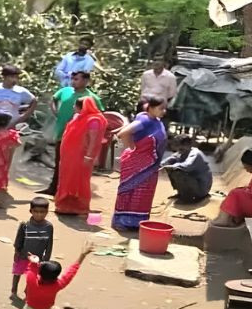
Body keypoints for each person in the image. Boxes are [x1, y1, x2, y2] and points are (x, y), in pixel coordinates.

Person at [38, 71, 103, 196]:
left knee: (72, 166)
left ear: (86, 81)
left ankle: (70, 191)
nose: (73, 81)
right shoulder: (65, 91)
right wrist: (56, 112)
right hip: (61, 133)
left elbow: (98, 116)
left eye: (76, 79)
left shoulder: (90, 97)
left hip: (79, 139)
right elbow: (53, 99)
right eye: (72, 79)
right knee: (58, 162)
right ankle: (54, 188)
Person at [112, 96, 169, 230]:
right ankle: (123, 221)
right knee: (130, 190)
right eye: (161, 108)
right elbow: (123, 133)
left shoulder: (155, 120)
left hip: (150, 165)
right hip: (138, 162)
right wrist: (131, 148)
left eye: (164, 108)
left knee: (144, 192)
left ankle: (137, 222)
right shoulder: (145, 120)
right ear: (151, 108)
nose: (164, 111)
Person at [55, 97, 107, 215]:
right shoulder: (78, 117)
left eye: (75, 105)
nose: (73, 107)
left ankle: (77, 207)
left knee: (79, 179)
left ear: (82, 107)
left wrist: (89, 156)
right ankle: (64, 205)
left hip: (82, 156)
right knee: (67, 178)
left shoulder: (94, 120)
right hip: (69, 156)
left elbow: (93, 141)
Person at [11, 197, 54, 299]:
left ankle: (27, 291)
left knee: (32, 276)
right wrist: (16, 252)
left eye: (42, 212)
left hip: (37, 257)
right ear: (31, 211)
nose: (39, 214)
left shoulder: (49, 227)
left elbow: (49, 243)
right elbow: (19, 239)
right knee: (17, 272)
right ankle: (13, 291)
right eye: (36, 212)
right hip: (23, 255)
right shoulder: (25, 225)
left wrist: (46, 258)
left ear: (47, 212)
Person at [161, 135, 212, 205]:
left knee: (178, 172)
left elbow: (187, 166)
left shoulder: (195, 154)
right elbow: (166, 161)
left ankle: (189, 197)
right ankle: (182, 193)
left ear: (189, 145)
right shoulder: (182, 152)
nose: (179, 148)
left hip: (202, 188)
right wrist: (163, 165)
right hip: (196, 183)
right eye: (178, 146)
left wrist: (171, 166)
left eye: (182, 146)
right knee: (171, 169)